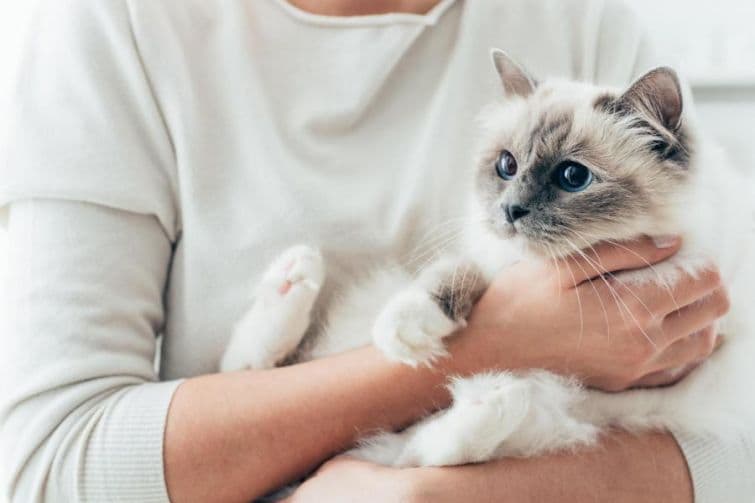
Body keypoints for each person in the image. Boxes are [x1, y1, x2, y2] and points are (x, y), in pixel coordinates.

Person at [0, 0, 752, 501]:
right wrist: (480, 346)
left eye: (563, 178)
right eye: (504, 171)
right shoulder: (108, 25)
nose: (517, 203)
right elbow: (43, 464)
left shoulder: (579, 18)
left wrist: (438, 495)